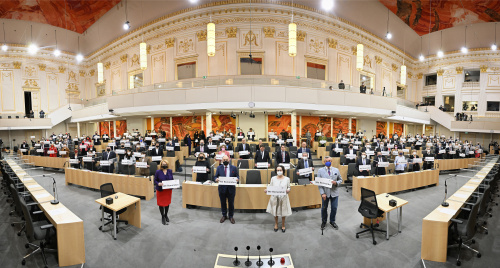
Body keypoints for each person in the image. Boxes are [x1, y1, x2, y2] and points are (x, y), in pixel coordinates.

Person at [317, 156, 343, 230]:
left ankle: (332, 221)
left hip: (334, 192)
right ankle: (324, 221)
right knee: (324, 209)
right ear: (324, 162)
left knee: (334, 208)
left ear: (331, 161)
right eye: (326, 161)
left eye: (329, 160)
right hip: (325, 193)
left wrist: (336, 183)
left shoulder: (336, 170)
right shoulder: (320, 171)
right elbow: (319, 183)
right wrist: (322, 193)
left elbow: (340, 180)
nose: (328, 162)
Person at [213, 155, 239, 224]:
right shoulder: (219, 168)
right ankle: (224, 215)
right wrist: (216, 179)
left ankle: (231, 216)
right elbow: (215, 176)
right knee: (223, 202)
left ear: (229, 160)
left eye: (226, 159)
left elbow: (237, 176)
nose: (225, 161)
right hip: (222, 188)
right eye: (224, 159)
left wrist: (237, 179)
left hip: (231, 189)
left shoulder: (234, 168)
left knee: (231, 203)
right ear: (222, 160)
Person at [265, 165, 292, 232]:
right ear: (276, 171)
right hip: (275, 197)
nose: (279, 171)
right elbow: (270, 187)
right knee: (275, 211)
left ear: (283, 171)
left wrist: (288, 190)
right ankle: (276, 224)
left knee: (283, 211)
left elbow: (289, 187)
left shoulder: (287, 179)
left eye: (281, 170)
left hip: (283, 197)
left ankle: (283, 225)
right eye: (278, 170)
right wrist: (267, 190)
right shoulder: (273, 178)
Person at [154, 160, 174, 225]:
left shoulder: (170, 171)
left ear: (167, 164)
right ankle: (162, 216)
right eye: (163, 164)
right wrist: (158, 183)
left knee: (167, 203)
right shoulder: (158, 171)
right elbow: (155, 180)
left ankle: (166, 215)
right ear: (161, 165)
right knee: (161, 204)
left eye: (165, 164)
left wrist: (174, 185)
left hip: (168, 190)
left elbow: (172, 180)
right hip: (160, 190)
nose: (164, 165)